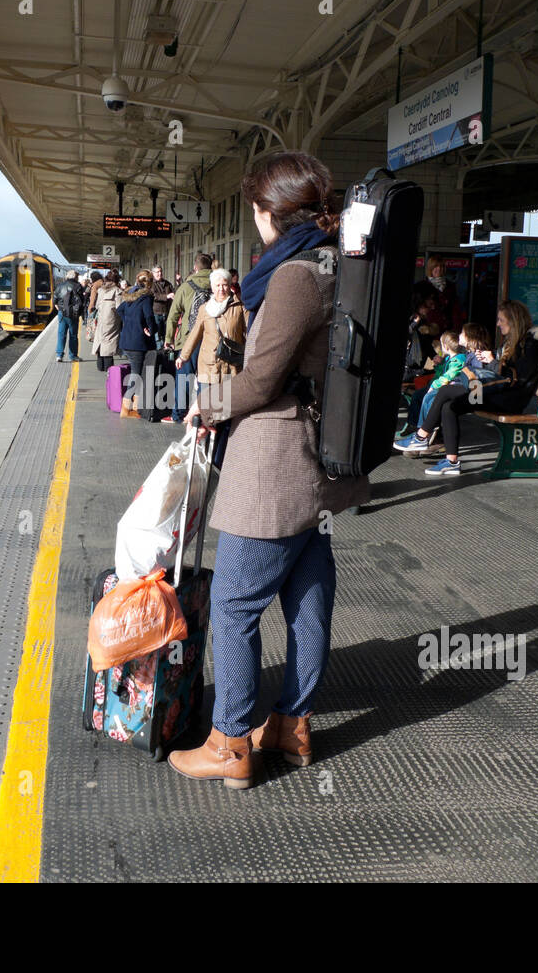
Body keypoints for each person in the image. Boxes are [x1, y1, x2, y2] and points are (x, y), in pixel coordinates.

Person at [168, 151, 366, 790]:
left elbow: (258, 381)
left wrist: (206, 404)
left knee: (233, 605)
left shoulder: (295, 276)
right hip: (320, 466)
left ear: (268, 213)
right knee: (308, 598)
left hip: (278, 466)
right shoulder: (342, 263)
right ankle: (292, 725)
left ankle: (229, 742)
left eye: (255, 209)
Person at [393, 300, 538, 475]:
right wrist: (491, 362)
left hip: (508, 399)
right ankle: (451, 462)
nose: (497, 324)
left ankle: (421, 436)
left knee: (446, 391)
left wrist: (492, 362)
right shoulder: (513, 342)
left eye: (501, 319)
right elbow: (505, 375)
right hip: (495, 392)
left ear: (513, 319)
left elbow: (517, 378)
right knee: (449, 406)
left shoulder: (532, 344)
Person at [175, 266, 247, 398]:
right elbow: (195, 334)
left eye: (224, 285)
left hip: (231, 364)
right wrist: (183, 356)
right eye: (217, 285)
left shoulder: (240, 307)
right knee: (207, 405)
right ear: (212, 287)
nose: (221, 289)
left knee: (226, 406)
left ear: (230, 286)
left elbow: (249, 332)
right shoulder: (205, 309)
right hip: (208, 364)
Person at [165, 252, 214, 421]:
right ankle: (203, 415)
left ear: (195, 267)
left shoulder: (186, 286)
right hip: (210, 340)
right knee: (205, 380)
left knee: (184, 380)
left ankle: (178, 415)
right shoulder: (217, 284)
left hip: (187, 340)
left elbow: (173, 314)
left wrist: (168, 339)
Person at [116, 271, 157, 418]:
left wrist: (130, 322)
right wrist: (151, 330)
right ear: (149, 283)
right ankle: (126, 408)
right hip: (138, 343)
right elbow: (149, 316)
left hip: (127, 341)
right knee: (136, 375)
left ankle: (135, 406)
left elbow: (119, 310)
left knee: (137, 373)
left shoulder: (131, 296)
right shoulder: (146, 297)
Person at [91, 269, 123, 371]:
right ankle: (109, 369)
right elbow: (120, 308)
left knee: (100, 342)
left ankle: (100, 366)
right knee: (109, 343)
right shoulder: (118, 292)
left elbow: (96, 305)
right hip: (112, 320)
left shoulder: (101, 290)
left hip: (101, 319)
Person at [53, 269, 84, 362]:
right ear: (75, 277)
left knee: (61, 334)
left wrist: (60, 309)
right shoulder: (78, 286)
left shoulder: (60, 286)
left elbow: (55, 300)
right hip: (73, 315)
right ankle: (73, 356)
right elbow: (81, 301)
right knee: (73, 335)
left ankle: (59, 355)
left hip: (62, 314)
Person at [150, 266, 175, 346]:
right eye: (157, 272)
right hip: (156, 312)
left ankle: (165, 351)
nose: (159, 274)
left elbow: (174, 292)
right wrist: (166, 296)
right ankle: (158, 352)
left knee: (166, 333)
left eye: (160, 271)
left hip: (167, 312)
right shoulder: (151, 284)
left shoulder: (167, 283)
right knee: (157, 334)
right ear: (153, 273)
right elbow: (153, 295)